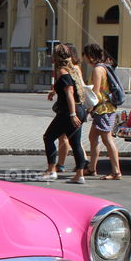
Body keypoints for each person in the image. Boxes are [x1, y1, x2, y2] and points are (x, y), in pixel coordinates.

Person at [39, 44, 89, 184]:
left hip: (68, 111)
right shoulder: (73, 69)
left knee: (48, 137)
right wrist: (55, 91)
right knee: (75, 143)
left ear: (56, 57)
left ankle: (51, 171)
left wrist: (72, 114)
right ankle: (79, 175)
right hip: (80, 109)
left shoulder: (62, 71)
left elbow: (69, 93)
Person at [84, 43, 123, 180]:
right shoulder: (104, 67)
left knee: (107, 139)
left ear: (89, 56)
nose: (84, 58)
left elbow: (95, 91)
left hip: (103, 109)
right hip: (104, 109)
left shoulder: (98, 70)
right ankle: (91, 168)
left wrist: (88, 107)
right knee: (93, 138)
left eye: (85, 55)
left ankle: (116, 172)